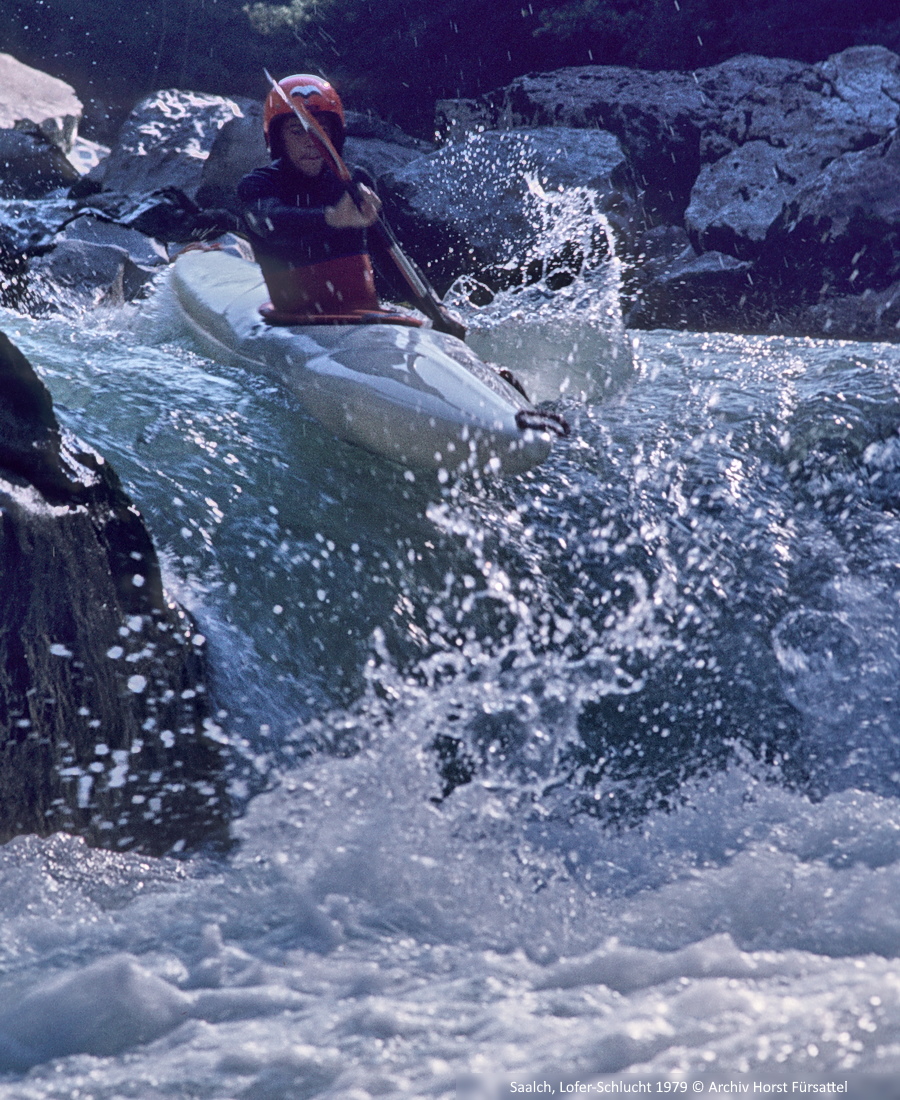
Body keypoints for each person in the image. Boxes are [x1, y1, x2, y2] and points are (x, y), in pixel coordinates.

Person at [237, 74, 393, 321]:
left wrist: (433, 309)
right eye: (297, 132)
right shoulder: (258, 184)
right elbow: (268, 222)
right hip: (294, 320)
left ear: (335, 135)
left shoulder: (355, 182)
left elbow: (388, 256)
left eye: (322, 130)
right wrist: (331, 218)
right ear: (278, 140)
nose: (312, 143)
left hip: (362, 316)